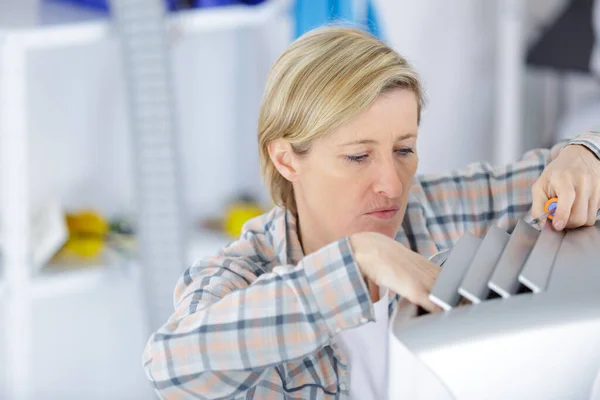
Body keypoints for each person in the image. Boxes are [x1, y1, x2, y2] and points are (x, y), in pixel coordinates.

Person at [142, 26, 600, 399]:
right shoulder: (241, 274)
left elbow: (565, 175)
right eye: (358, 157)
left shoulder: (439, 210)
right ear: (286, 159)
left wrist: (585, 155)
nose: (392, 183)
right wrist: (357, 260)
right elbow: (172, 366)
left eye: (404, 149)